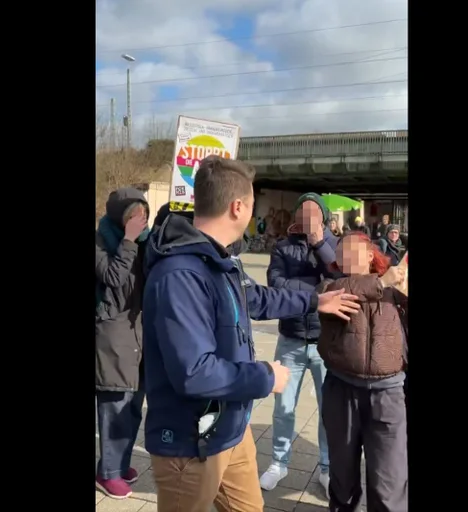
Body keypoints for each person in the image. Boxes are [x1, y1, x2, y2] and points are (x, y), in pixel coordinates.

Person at [141, 156, 361, 512]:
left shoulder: (220, 261)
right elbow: (194, 372)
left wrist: (314, 301)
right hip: (191, 443)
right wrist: (266, 376)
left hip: (232, 428)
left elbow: (257, 298)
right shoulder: (180, 274)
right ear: (238, 207)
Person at [317, 232, 407, 512]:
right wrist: (381, 282)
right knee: (342, 476)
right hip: (342, 391)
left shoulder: (395, 290)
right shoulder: (331, 288)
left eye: (350, 251)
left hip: (389, 395)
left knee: (389, 479)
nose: (343, 258)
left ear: (370, 255)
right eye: (339, 254)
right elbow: (340, 294)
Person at [260, 193, 340, 494]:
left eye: (313, 212)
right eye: (302, 212)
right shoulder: (282, 247)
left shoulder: (335, 246)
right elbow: (276, 286)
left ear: (323, 216)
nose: (307, 218)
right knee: (283, 407)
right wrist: (318, 293)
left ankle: (327, 467)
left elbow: (341, 278)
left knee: (328, 409)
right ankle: (278, 463)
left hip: (326, 342)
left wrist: (320, 244)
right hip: (290, 338)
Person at [95, 188, 151, 499]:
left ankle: (120, 464)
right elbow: (113, 277)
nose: (139, 222)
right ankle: (107, 474)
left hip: (140, 333)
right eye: (133, 216)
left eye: (143, 215)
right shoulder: (101, 240)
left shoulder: (146, 243)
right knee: (114, 406)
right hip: (112, 334)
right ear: (120, 216)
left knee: (132, 407)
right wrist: (129, 240)